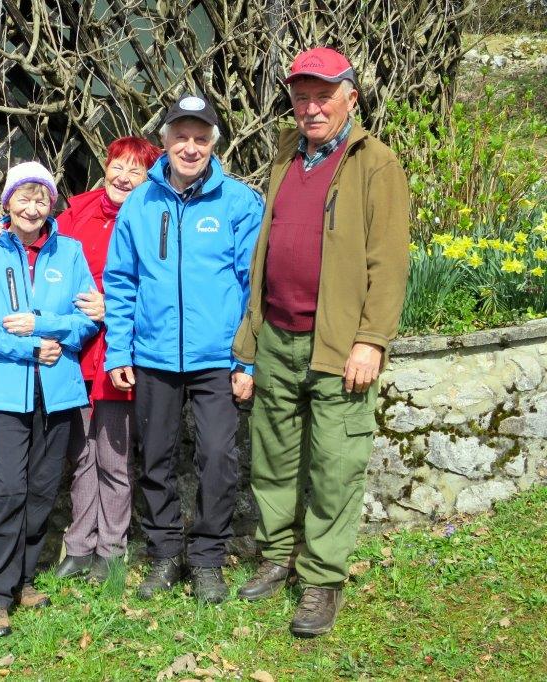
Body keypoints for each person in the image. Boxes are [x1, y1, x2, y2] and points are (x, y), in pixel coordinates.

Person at [232, 47, 409, 636]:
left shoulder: (376, 164)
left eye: (322, 96)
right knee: (273, 458)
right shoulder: (287, 154)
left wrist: (371, 340)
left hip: (337, 346)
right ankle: (278, 556)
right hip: (278, 336)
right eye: (301, 96)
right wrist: (250, 342)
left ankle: (322, 580)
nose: (310, 108)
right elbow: (266, 249)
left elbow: (388, 263)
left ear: (350, 97)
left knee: (336, 465)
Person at [103, 95, 263, 604]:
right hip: (152, 355)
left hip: (217, 357)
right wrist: (119, 352)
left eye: (200, 137)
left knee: (218, 456)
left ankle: (208, 559)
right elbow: (121, 281)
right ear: (165, 140)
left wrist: (246, 359)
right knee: (155, 458)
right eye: (180, 136)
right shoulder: (139, 203)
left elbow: (251, 287)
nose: (189, 147)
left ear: (214, 142)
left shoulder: (238, 202)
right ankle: (166, 554)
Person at [0, 138, 162, 581]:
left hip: (121, 353)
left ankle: (112, 548)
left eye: (135, 170)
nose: (123, 177)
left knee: (114, 457)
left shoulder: (151, 215)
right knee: (81, 454)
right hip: (72, 354)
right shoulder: (76, 214)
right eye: (116, 166)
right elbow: (35, 241)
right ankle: (79, 546)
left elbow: (162, 288)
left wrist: (117, 309)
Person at [0, 161, 99, 637]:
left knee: (41, 491)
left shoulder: (71, 253)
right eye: (24, 196)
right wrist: (26, 346)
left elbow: (88, 319)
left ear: (53, 204)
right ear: (7, 201)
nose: (33, 206)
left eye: (42, 198)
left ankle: (24, 578)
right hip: (5, 390)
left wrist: (47, 328)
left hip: (58, 390)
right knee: (10, 489)